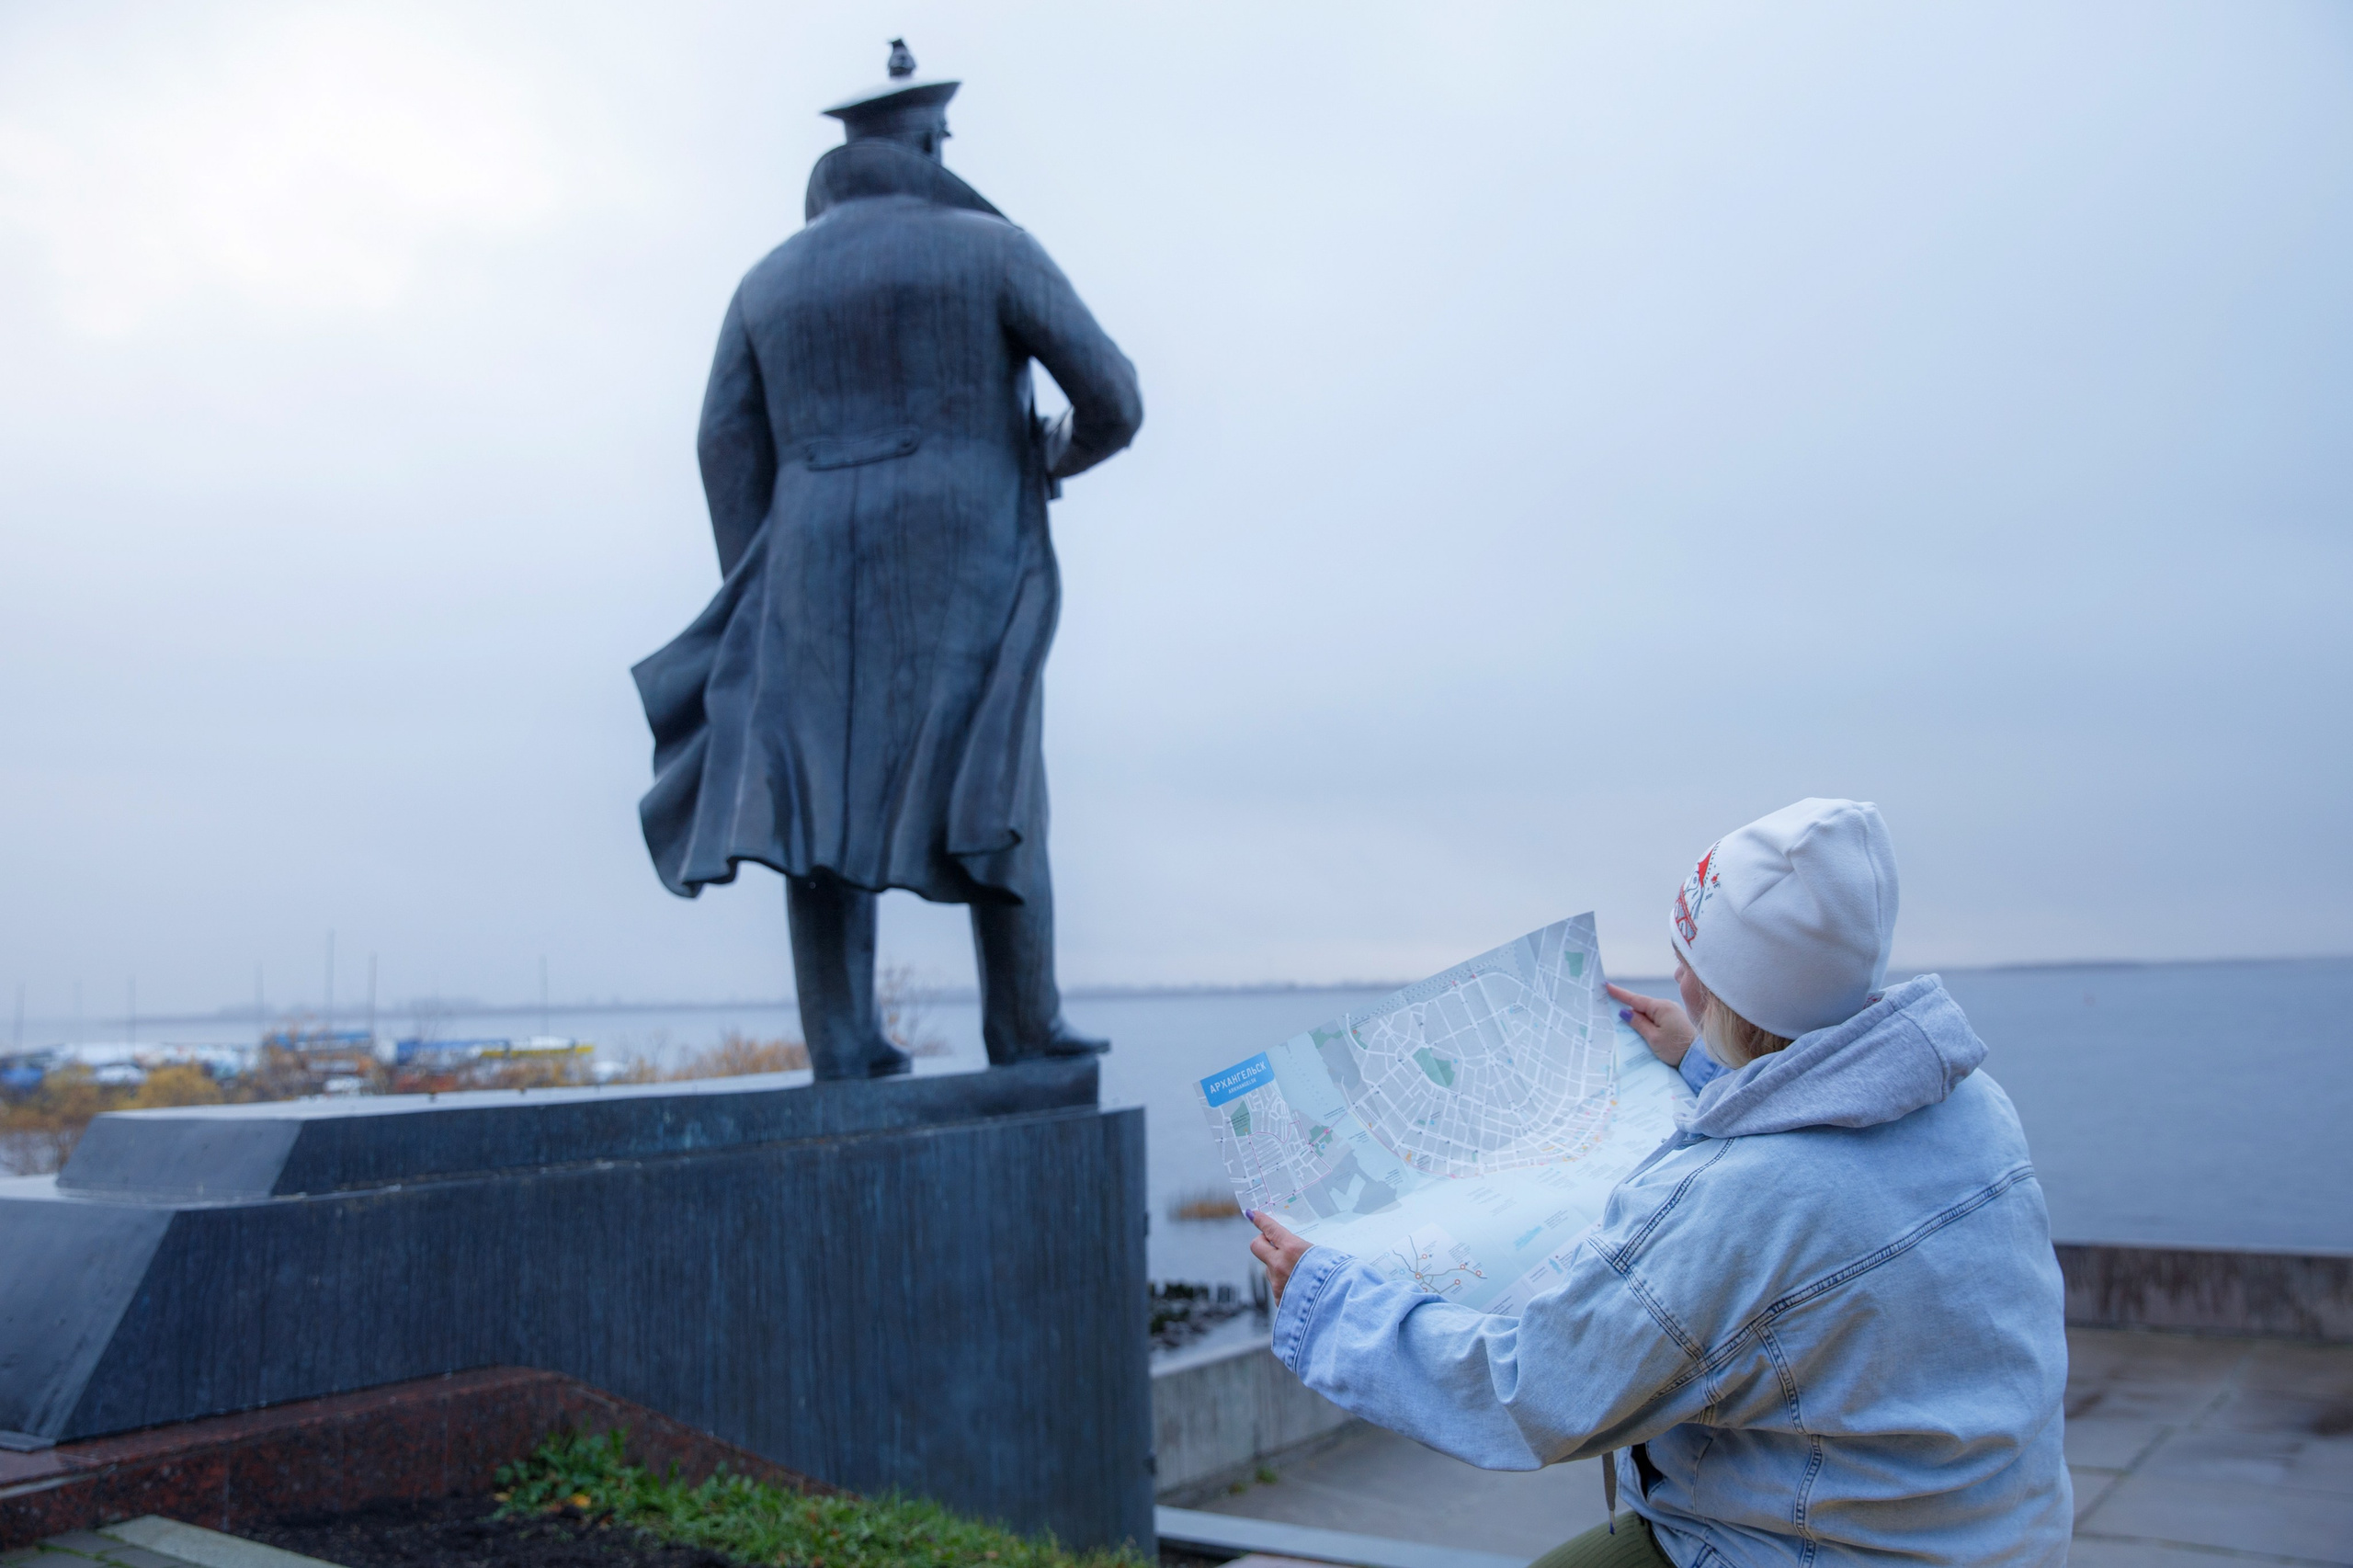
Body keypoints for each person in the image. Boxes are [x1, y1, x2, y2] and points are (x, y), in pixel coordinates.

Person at [1247, 799, 2071, 1566]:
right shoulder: (1970, 1103)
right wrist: (1711, 1059)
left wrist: (1329, 1303)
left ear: (1730, 991)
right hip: (1998, 1536)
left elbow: (1531, 1389)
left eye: (1693, 962)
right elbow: (1821, 1107)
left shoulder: (1743, 1199)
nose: (1676, 972)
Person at [631, 41, 1142, 1078]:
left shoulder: (768, 278)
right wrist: (1049, 455)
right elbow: (1116, 399)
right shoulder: (990, 247)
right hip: (969, 555)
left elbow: (720, 440)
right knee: (996, 769)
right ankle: (1024, 1026)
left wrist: (760, 571)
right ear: (927, 144)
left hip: (810, 556)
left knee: (813, 792)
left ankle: (844, 1041)